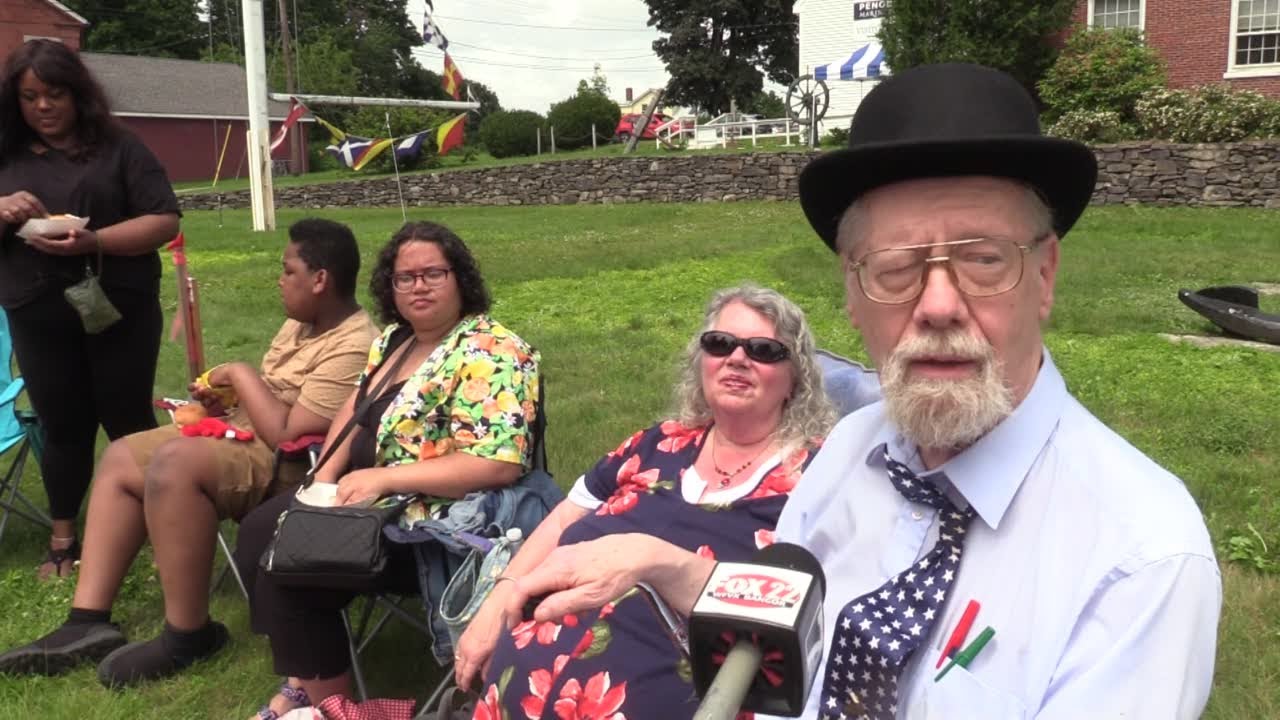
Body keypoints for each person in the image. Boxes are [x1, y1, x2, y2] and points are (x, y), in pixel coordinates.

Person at [509, 64, 1222, 720]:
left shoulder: (1142, 558)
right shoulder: (852, 449)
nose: (939, 304)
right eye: (892, 268)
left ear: (1045, 275)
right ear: (852, 296)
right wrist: (661, 565)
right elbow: (783, 629)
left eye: (983, 260)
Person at [0, 218, 379, 687]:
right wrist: (228, 400)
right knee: (122, 456)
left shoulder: (355, 343)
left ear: (320, 280)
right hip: (241, 434)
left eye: (288, 271)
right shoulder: (301, 325)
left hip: (291, 466)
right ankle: (86, 620)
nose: (279, 280)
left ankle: (188, 634)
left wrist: (240, 375)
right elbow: (273, 396)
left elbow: (287, 432)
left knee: (174, 465)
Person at [455, 284, 836, 720]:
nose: (736, 358)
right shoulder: (657, 444)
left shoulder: (816, 477)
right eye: (720, 344)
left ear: (795, 378)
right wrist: (496, 601)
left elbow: (814, 612)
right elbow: (564, 518)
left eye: (764, 350)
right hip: (515, 691)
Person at [233, 221, 542, 720]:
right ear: (389, 287)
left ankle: (329, 708)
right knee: (259, 533)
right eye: (405, 278)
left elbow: (498, 463)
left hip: (439, 525)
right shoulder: (395, 342)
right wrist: (321, 481)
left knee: (290, 569)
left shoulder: (493, 350)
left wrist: (383, 479)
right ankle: (305, 682)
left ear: (459, 279)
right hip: (370, 504)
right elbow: (355, 412)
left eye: (432, 274)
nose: (418, 286)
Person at [0, 39, 182, 578]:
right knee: (63, 422)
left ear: (78, 94)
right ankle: (63, 538)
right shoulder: (4, 152)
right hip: (36, 309)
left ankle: (160, 521)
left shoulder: (120, 147)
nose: (44, 108)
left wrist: (94, 240)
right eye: (30, 97)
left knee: (126, 417)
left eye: (55, 95)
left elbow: (163, 220)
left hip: (118, 304)